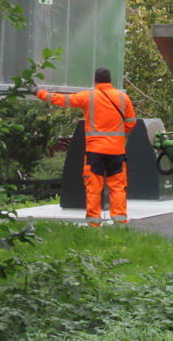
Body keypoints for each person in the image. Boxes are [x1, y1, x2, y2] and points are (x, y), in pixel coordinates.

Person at [31, 67, 137, 226]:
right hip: (117, 151)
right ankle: (120, 221)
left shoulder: (88, 96)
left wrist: (38, 92)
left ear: (95, 81)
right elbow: (131, 122)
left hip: (95, 151)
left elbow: (61, 100)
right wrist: (119, 135)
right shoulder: (123, 97)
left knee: (94, 188)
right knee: (118, 187)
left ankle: (94, 223)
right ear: (110, 81)